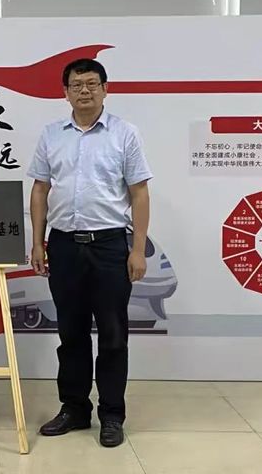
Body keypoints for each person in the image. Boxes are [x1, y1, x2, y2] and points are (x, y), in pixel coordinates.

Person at [27, 58, 152, 448]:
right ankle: (75, 408)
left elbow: (139, 193)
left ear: (105, 89)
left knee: (113, 335)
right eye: (76, 84)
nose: (84, 90)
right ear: (65, 92)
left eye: (92, 84)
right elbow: (40, 190)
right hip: (64, 246)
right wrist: (38, 242)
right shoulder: (52, 135)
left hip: (110, 246)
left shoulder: (124, 134)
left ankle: (112, 414)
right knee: (71, 334)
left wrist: (138, 249)